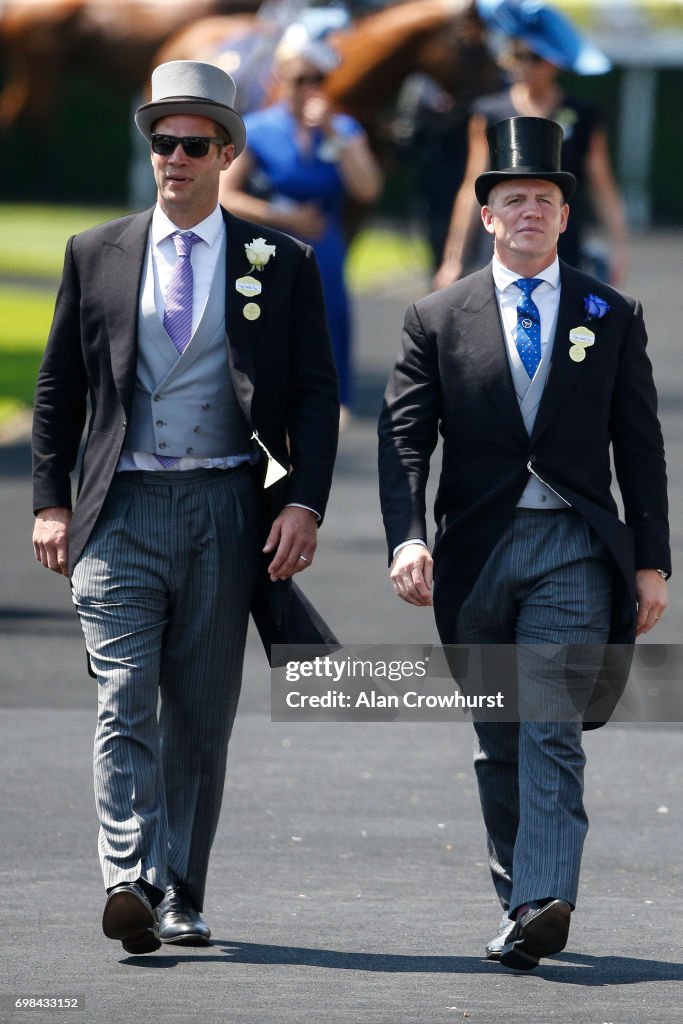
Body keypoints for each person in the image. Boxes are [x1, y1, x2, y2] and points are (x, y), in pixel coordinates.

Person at [31, 59, 339, 955]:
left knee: (200, 715)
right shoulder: (96, 252)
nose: (174, 157)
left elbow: (316, 394)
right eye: (162, 141)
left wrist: (305, 504)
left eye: (193, 144)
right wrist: (51, 503)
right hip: (118, 509)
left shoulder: (279, 262)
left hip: (226, 508)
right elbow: (57, 388)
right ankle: (127, 876)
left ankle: (179, 892)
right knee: (123, 697)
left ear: (227, 153)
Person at [378, 116, 670, 970]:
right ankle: (519, 894)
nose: (531, 210)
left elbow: (639, 445)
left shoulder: (607, 312)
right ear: (488, 215)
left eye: (545, 197)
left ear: (563, 216)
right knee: (498, 733)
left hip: (574, 548)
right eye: (515, 199)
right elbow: (404, 442)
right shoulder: (436, 317)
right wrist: (405, 539)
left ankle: (547, 897)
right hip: (476, 550)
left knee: (549, 723)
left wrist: (649, 561)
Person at [219, 22, 383, 421]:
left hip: (325, 241)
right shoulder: (258, 128)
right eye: (299, 78)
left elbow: (368, 189)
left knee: (330, 319)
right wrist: (281, 215)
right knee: (267, 318)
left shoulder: (343, 128)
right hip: (272, 240)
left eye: (317, 79)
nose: (308, 86)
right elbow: (225, 194)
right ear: (281, 79)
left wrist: (332, 132)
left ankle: (332, 399)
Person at [434, 0, 629, 290]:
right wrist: (453, 258)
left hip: (562, 241)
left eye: (534, 57)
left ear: (554, 60)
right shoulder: (490, 112)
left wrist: (620, 249)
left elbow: (602, 185)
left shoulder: (582, 114)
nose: (523, 65)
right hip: (502, 242)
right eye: (516, 55)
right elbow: (471, 187)